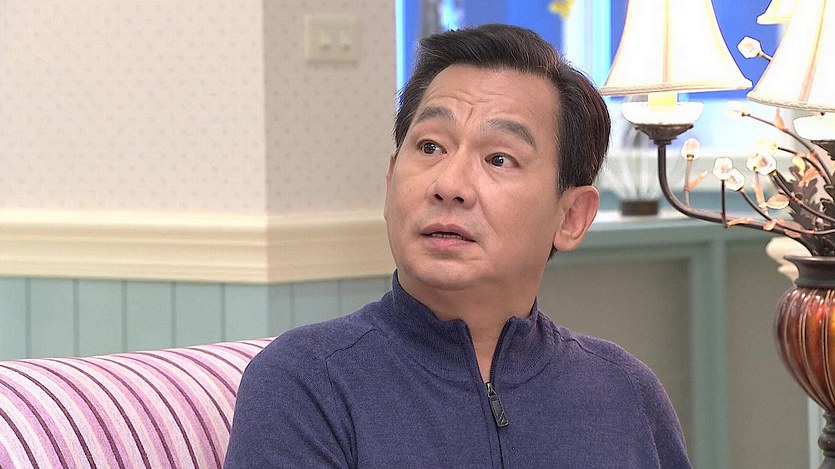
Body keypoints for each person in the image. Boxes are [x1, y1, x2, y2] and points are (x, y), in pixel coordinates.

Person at [225, 24, 691, 468]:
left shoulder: (625, 392)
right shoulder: (306, 382)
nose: (449, 185)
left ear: (571, 217)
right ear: (390, 182)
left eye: (499, 158)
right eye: (430, 147)